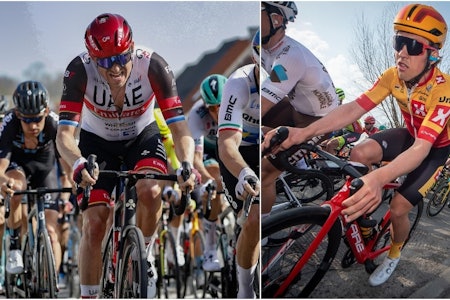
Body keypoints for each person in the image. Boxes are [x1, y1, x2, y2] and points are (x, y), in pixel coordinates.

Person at [263, 3, 450, 287]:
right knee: (359, 152)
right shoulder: (392, 76)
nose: (401, 52)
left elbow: (422, 148)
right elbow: (353, 109)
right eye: (398, 41)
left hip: (434, 148)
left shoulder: (444, 89)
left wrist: (379, 176)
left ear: (433, 54)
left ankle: (394, 254)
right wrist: (303, 134)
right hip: (410, 135)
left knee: (399, 206)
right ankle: (364, 220)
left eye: (412, 45)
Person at [56, 13, 196, 298]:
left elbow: (180, 129)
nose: (114, 68)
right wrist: (78, 162)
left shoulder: (154, 65)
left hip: (141, 136)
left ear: (132, 49)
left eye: (121, 58)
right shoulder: (78, 70)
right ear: (93, 59)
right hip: (97, 142)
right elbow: (64, 136)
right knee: (95, 223)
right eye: (105, 62)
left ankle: (143, 257)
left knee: (151, 190)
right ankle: (90, 294)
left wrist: (187, 164)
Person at [260, 1, 340, 216]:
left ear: (276, 19)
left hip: (319, 123)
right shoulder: (258, 45)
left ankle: (261, 237)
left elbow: (260, 105)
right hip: (297, 108)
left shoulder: (290, 58)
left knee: (264, 172)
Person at [0, 81, 72, 280]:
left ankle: (52, 283)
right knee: (15, 187)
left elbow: (65, 163)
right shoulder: (9, 123)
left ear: (46, 111)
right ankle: (14, 245)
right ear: (17, 115)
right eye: (26, 120)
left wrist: (72, 184)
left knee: (51, 231)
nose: (32, 126)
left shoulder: (54, 122)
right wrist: (4, 182)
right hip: (18, 168)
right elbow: (0, 168)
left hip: (45, 171)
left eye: (38, 119)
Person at [216, 30, 260, 298]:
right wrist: (244, 172)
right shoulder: (237, 84)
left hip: (264, 146)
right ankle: (246, 291)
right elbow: (227, 145)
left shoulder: (279, 78)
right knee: (253, 220)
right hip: (238, 152)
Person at [187, 73, 228, 272]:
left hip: (229, 149)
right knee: (214, 182)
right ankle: (211, 250)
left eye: (221, 105)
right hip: (208, 154)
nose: (217, 112)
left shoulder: (238, 106)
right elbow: (196, 158)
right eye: (212, 107)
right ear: (205, 105)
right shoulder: (196, 115)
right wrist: (209, 181)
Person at [322, 88, 365, 155]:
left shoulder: (344, 109)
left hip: (355, 133)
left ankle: (333, 164)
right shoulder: (335, 109)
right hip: (345, 131)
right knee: (324, 144)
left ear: (340, 100)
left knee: (331, 144)